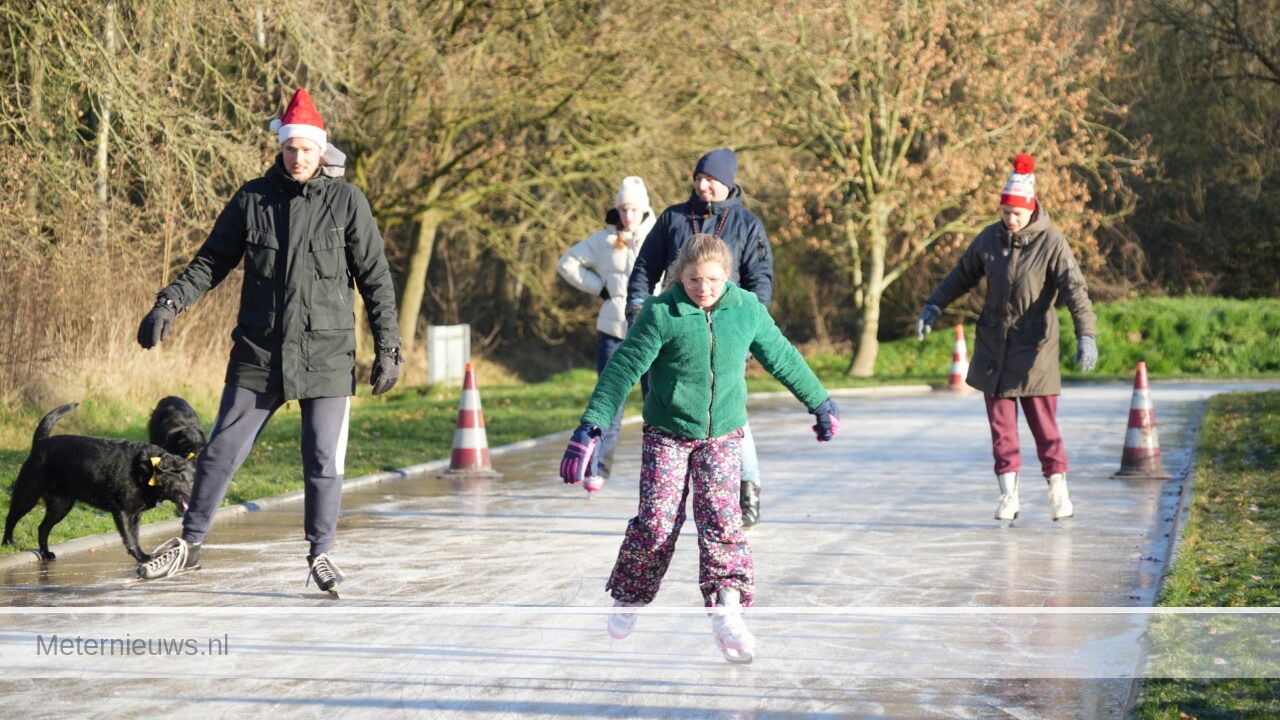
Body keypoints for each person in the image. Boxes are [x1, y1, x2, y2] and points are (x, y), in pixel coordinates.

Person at [133, 88, 402, 593]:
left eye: (306, 149)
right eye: (289, 148)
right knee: (221, 451)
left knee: (323, 459)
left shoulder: (347, 202)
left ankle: (321, 554)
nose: (297, 157)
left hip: (326, 353)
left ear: (321, 152)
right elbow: (212, 261)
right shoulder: (252, 199)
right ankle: (189, 545)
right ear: (280, 148)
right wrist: (168, 302)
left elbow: (376, 279)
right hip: (259, 352)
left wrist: (388, 348)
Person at [562, 234, 840, 664]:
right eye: (693, 279)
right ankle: (630, 597)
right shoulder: (660, 313)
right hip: (668, 432)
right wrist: (591, 424)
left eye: (712, 279)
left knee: (722, 522)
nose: (703, 288)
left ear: (727, 275)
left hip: (723, 434)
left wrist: (818, 401)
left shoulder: (746, 309)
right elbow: (622, 369)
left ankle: (726, 611)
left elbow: (782, 357)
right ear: (679, 275)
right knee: (656, 523)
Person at [916, 153, 1098, 523]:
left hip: (1036, 352)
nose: (1009, 220)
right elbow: (960, 276)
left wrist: (1087, 334)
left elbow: (1075, 290)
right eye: (1004, 213)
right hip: (993, 349)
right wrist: (933, 305)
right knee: (1001, 430)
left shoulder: (1051, 243)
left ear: (1030, 209)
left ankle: (1057, 490)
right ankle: (1008, 495)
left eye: (1016, 214)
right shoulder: (990, 239)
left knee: (1044, 428)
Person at [625, 148, 774, 528]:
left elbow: (760, 277)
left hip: (727, 327)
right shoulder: (673, 218)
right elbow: (645, 265)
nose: (705, 185)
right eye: (700, 177)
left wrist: (753, 322)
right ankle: (670, 492)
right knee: (672, 401)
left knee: (727, 407)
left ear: (729, 183)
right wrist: (638, 302)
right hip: (677, 325)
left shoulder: (747, 223)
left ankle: (748, 486)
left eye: (713, 179)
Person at [556, 176, 656, 492]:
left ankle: (660, 467)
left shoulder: (659, 235)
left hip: (652, 331)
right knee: (609, 400)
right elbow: (567, 263)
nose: (628, 215)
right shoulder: (603, 241)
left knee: (656, 401)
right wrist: (600, 288)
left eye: (633, 209)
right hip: (613, 330)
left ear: (644, 209)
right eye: (623, 209)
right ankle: (597, 469)